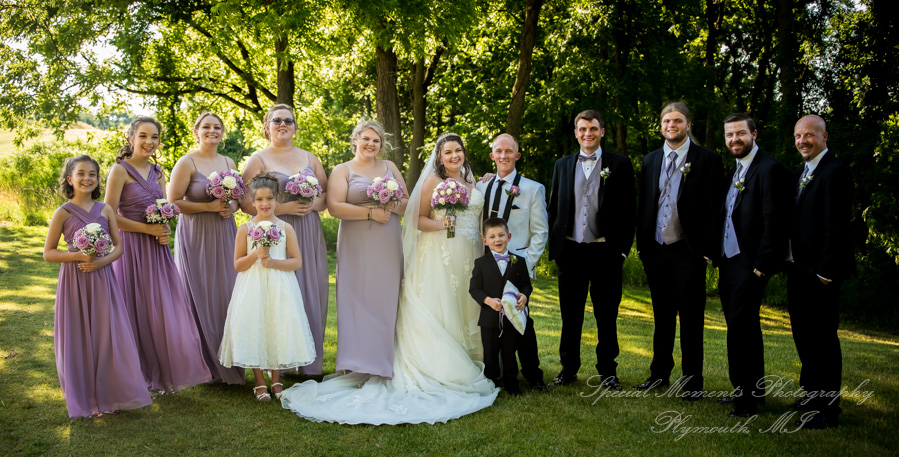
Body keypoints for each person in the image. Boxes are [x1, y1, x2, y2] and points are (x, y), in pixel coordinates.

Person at [280, 133, 499, 425]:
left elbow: (404, 204)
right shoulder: (431, 181)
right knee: (433, 302)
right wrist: (432, 222)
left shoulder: (473, 181)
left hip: (469, 249)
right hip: (434, 249)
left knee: (462, 304)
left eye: (458, 150)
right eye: (448, 152)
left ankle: (472, 358)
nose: (454, 156)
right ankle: (406, 363)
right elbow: (414, 215)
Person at [105, 116, 211, 394]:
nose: (149, 142)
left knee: (162, 309)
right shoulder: (119, 171)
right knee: (134, 308)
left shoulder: (159, 171)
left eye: (154, 137)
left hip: (157, 248)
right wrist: (145, 229)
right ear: (131, 138)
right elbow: (108, 216)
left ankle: (162, 374)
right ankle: (135, 374)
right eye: (143, 136)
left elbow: (163, 207)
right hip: (130, 249)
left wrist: (164, 229)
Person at [43, 155, 151, 418]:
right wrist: (78, 256)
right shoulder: (63, 212)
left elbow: (119, 246)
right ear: (70, 179)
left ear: (98, 179)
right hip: (74, 280)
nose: (87, 178)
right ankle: (86, 399)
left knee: (106, 335)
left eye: (92, 174)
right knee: (80, 336)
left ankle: (110, 394)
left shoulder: (105, 210)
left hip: (103, 280)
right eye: (81, 173)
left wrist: (102, 263)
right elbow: (49, 253)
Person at [633, 102, 723, 399]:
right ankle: (658, 375)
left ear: (688, 124)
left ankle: (692, 383)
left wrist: (708, 251)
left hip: (689, 251)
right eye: (667, 120)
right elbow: (645, 204)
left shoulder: (707, 159)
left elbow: (715, 208)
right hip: (656, 251)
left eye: (678, 120)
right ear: (661, 125)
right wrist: (643, 247)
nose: (672, 125)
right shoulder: (650, 160)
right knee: (662, 318)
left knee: (692, 320)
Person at [547, 109, 636, 390]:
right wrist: (557, 248)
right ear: (576, 133)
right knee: (570, 315)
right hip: (570, 252)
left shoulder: (620, 164)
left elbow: (629, 211)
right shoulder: (562, 165)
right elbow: (554, 208)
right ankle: (568, 369)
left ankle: (608, 372)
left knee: (606, 316)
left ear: (602, 132)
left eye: (593, 128)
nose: (588, 133)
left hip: (605, 252)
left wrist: (621, 251)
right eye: (583, 129)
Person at [241, 104, 329, 376]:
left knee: (312, 290)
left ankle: (309, 362)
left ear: (295, 126)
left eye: (288, 120)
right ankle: (279, 363)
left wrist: (312, 205)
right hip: (274, 233)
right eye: (276, 120)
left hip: (309, 231)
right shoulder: (259, 160)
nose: (283, 124)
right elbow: (245, 202)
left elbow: (325, 196)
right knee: (280, 293)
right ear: (267, 126)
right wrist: (285, 209)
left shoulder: (310, 158)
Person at [716, 113, 791, 417]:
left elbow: (776, 221)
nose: (734, 139)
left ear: (754, 134)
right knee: (742, 328)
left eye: (740, 134)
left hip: (750, 265)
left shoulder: (769, 169)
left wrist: (761, 266)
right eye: (729, 135)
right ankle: (751, 391)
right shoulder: (737, 168)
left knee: (741, 331)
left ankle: (745, 400)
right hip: (729, 262)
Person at [218, 173, 316, 401]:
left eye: (270, 198)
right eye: (260, 199)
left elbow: (297, 261)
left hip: (280, 285)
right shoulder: (244, 229)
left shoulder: (285, 228)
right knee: (255, 327)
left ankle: (276, 378)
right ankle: (260, 382)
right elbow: (238, 265)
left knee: (277, 325)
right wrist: (255, 254)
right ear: (252, 202)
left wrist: (273, 262)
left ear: (278, 199)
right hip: (252, 286)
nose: (265, 204)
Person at [327, 120, 408, 378]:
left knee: (385, 296)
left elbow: (406, 202)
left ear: (381, 144)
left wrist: (389, 206)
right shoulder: (343, 170)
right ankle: (355, 362)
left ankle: (383, 361)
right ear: (355, 140)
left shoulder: (390, 167)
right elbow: (335, 207)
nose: (371, 144)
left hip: (388, 241)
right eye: (366, 139)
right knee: (356, 296)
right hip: (356, 243)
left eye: (376, 140)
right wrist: (371, 213)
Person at [787, 115, 853, 429]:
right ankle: (812, 394)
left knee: (824, 340)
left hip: (820, 274)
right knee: (804, 336)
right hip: (798, 271)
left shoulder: (835, 172)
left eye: (809, 135)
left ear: (824, 136)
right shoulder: (802, 171)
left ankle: (828, 408)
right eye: (799, 136)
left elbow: (836, 228)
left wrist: (826, 272)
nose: (803, 141)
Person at [169, 112, 244, 385]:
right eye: (206, 127)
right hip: (196, 234)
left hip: (224, 232)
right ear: (196, 131)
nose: (212, 131)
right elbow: (174, 202)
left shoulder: (228, 162)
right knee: (200, 292)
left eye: (217, 127)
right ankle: (204, 364)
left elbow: (238, 198)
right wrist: (208, 207)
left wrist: (231, 207)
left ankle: (230, 358)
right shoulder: (186, 162)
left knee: (228, 290)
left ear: (222, 132)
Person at [469, 217, 544, 395]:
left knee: (509, 353)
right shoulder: (481, 263)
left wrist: (524, 295)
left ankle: (512, 385)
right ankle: (492, 383)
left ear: (509, 236)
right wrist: (488, 300)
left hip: (511, 318)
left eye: (501, 235)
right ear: (485, 241)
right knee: (491, 353)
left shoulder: (518, 261)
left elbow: (526, 284)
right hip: (489, 319)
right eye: (493, 236)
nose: (498, 240)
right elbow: (474, 289)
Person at [476, 133, 549, 278]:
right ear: (492, 156)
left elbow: (540, 232)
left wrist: (526, 263)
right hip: (482, 265)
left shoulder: (533, 189)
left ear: (517, 155)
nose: (503, 156)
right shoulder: (480, 187)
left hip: (516, 265)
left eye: (509, 151)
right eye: (499, 151)